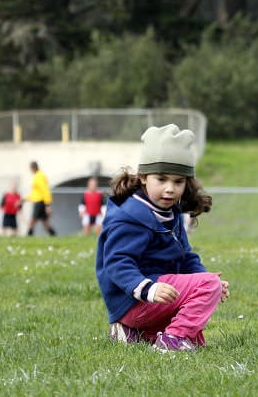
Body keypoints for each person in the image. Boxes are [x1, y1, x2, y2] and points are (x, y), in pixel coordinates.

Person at [96, 124, 230, 352]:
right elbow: (117, 262)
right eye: (162, 179)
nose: (170, 189)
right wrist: (149, 289)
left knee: (198, 338)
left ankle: (130, 333)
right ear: (144, 178)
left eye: (178, 182)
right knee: (202, 298)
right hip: (134, 299)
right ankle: (172, 341)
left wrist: (205, 279)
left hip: (152, 297)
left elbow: (185, 256)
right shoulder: (131, 215)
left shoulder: (171, 211)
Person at [25, 161, 56, 236]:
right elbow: (35, 193)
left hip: (40, 202)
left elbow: (45, 190)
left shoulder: (39, 176)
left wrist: (48, 205)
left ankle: (28, 236)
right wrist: (24, 199)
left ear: (33, 168)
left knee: (32, 220)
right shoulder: (37, 176)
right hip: (39, 201)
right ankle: (53, 235)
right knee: (45, 221)